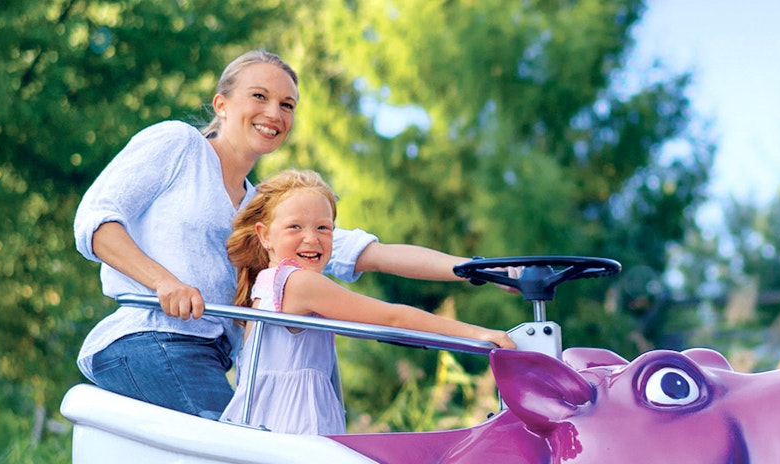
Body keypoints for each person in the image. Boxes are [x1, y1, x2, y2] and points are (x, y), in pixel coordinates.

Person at [73, 49, 502, 417]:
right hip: (150, 337)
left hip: (214, 357)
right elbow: (96, 220)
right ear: (221, 104)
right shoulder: (178, 145)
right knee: (235, 456)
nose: (274, 113)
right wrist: (164, 282)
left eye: (287, 104)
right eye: (259, 97)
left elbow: (372, 252)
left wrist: (485, 270)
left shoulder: (266, 210)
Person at [219, 169, 515, 435]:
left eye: (323, 228)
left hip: (274, 426)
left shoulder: (267, 284)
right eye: (295, 227)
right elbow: (392, 318)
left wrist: (478, 269)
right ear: (264, 235)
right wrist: (480, 335)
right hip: (291, 430)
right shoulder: (297, 283)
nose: (311, 238)